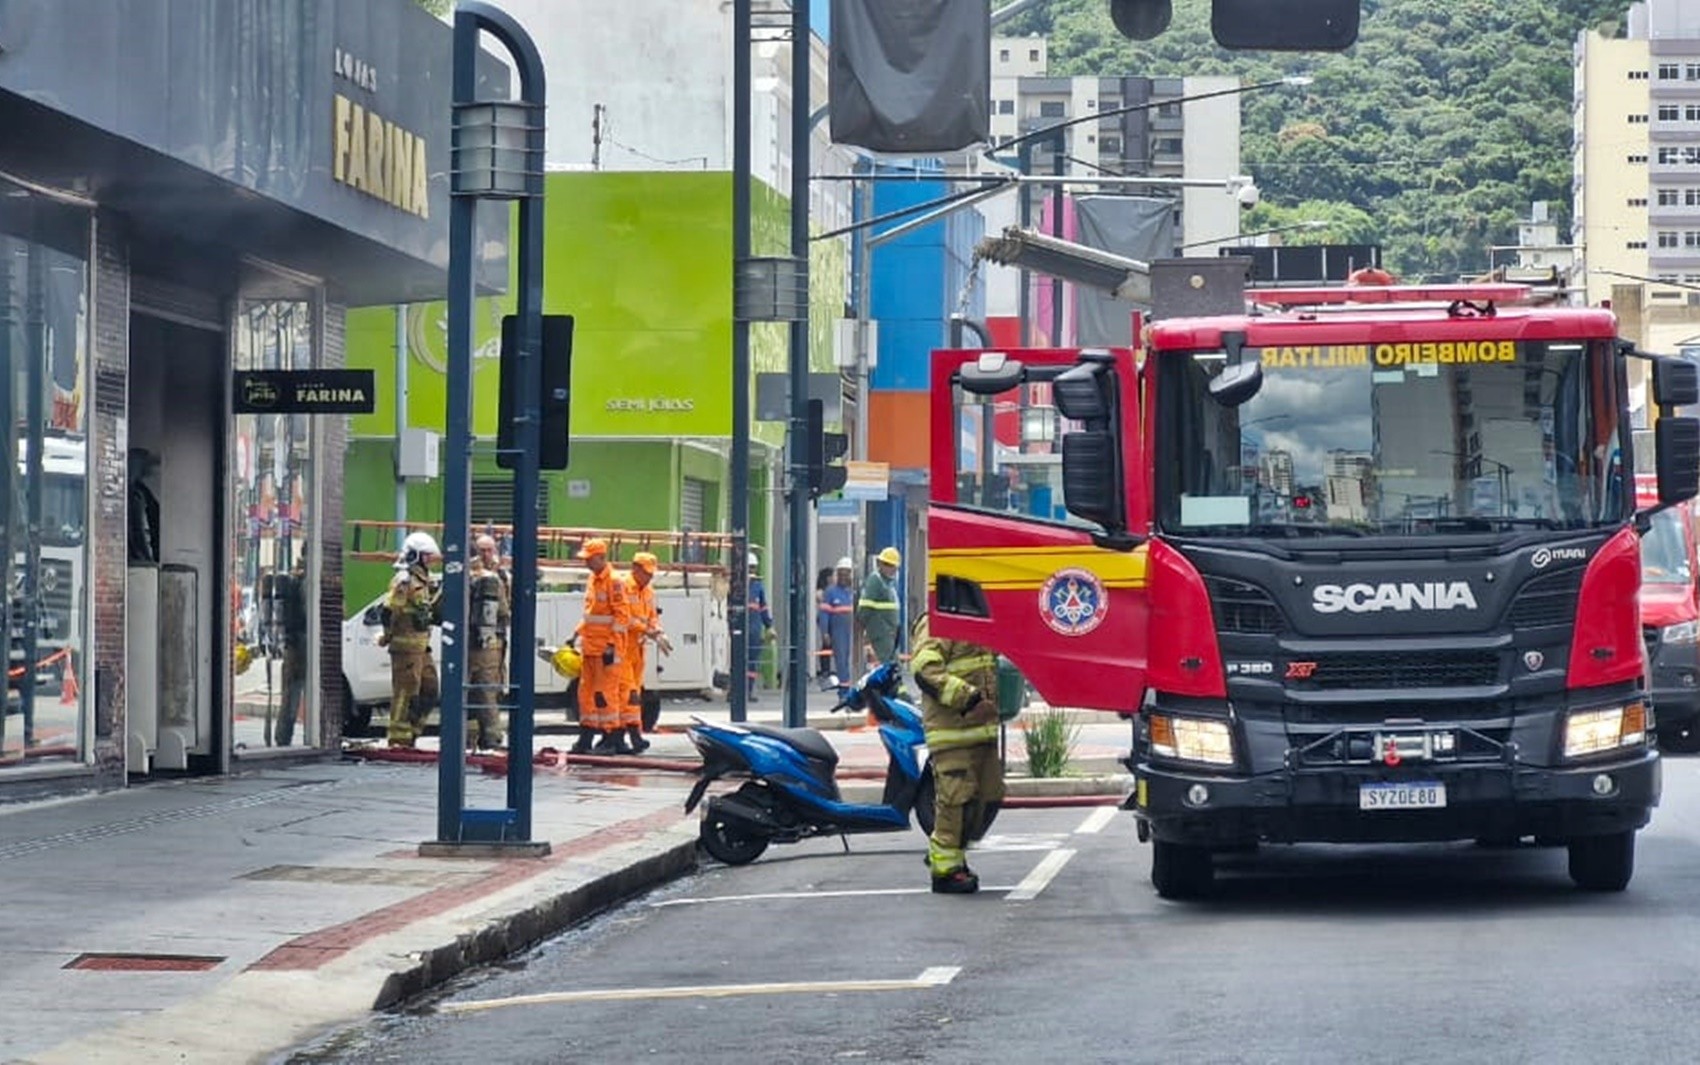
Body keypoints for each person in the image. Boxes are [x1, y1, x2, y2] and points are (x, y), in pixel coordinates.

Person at [910, 615, 1004, 894]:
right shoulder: (938, 621)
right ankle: (945, 869)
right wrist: (969, 698)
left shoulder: (977, 619)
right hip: (952, 730)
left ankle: (950, 851)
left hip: (980, 731)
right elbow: (925, 668)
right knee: (956, 799)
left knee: (989, 795)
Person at [380, 531, 442, 748]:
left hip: (422, 648)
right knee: (405, 694)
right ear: (415, 556)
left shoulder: (425, 581)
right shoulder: (404, 580)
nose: (429, 560)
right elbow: (388, 610)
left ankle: (412, 732)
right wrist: (388, 636)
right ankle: (398, 738)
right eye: (425, 556)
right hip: (405, 649)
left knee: (430, 689)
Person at [571, 538, 631, 755]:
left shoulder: (614, 581)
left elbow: (622, 615)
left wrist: (611, 645)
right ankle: (586, 736)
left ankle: (611, 737)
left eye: (589, 559)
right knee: (585, 693)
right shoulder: (593, 579)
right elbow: (591, 615)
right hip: (590, 646)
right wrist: (575, 634)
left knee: (605, 694)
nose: (586, 563)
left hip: (607, 649)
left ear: (601, 557)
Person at [619, 551, 668, 753]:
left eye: (651, 573)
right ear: (635, 568)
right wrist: (650, 631)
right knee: (628, 693)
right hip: (622, 647)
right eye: (646, 572)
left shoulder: (648, 591)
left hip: (638, 650)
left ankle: (625, 737)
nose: (649, 577)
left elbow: (651, 616)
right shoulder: (623, 586)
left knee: (634, 693)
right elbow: (625, 619)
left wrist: (659, 632)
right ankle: (631, 736)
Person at [466, 534, 510, 751]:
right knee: (478, 691)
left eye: (489, 550)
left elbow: (505, 609)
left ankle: (488, 739)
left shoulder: (499, 576)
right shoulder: (479, 576)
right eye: (481, 550)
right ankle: (477, 739)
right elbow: (503, 610)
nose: (486, 554)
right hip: (475, 642)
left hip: (492, 643)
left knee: (486, 690)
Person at [269, 544, 309, 747]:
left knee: (291, 694)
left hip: (293, 644)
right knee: (298, 693)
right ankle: (300, 739)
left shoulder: (295, 578)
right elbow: (308, 610)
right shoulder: (307, 581)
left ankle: (283, 738)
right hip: (303, 643)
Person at [857, 547, 903, 667]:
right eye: (886, 564)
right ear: (879, 564)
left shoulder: (889, 583)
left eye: (892, 565)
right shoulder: (876, 580)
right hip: (881, 635)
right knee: (885, 669)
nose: (889, 568)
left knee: (892, 669)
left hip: (889, 634)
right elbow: (864, 609)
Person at [821, 558, 856, 689]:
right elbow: (824, 614)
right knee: (841, 662)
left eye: (846, 573)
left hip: (854, 631)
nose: (843, 576)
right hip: (838, 631)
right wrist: (825, 632)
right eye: (840, 573)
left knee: (856, 662)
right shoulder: (830, 592)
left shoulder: (856, 592)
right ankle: (844, 693)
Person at [746, 551, 774, 702]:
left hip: (755, 630)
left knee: (752, 663)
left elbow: (763, 608)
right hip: (740, 630)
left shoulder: (758, 586)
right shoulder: (737, 585)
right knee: (737, 662)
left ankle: (748, 691)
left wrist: (769, 626)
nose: (751, 571)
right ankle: (736, 692)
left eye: (753, 568)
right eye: (749, 568)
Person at [127, 448, 161, 564]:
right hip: (141, 560)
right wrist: (148, 558)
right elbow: (140, 529)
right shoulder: (137, 494)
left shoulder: (139, 492)